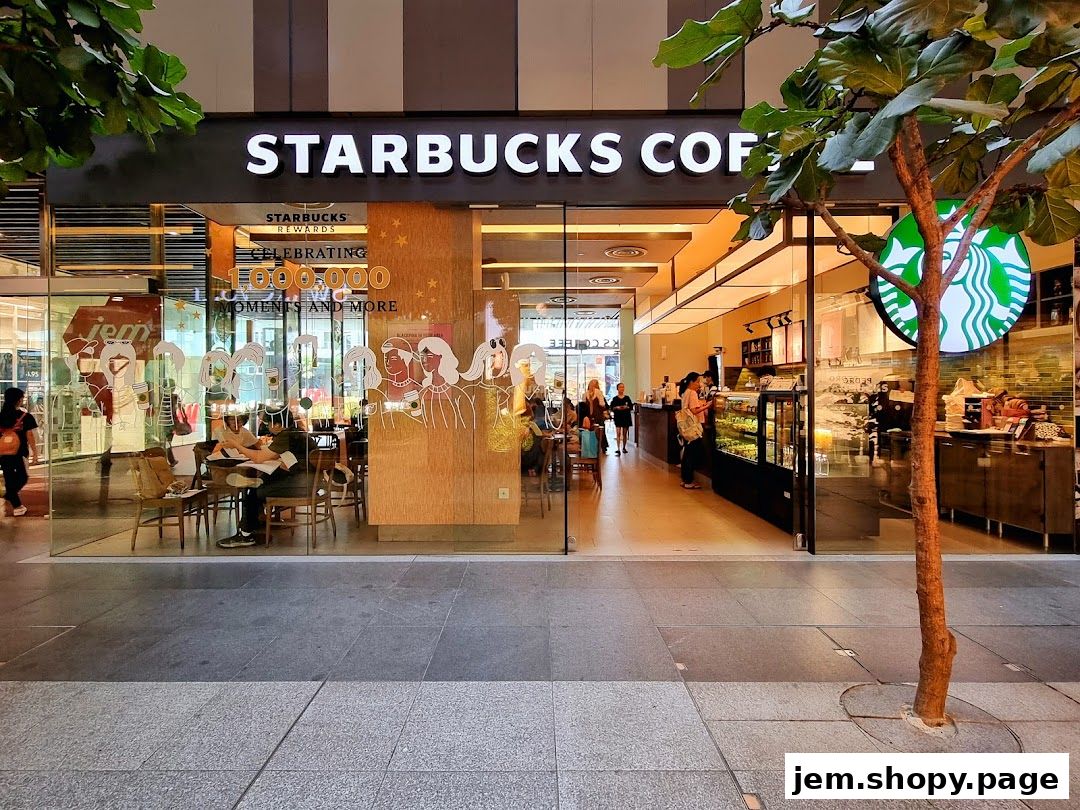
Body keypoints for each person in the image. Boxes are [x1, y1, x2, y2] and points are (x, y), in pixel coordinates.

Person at [217, 405, 317, 548]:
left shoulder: (285, 437)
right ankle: (256, 521)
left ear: (277, 424)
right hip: (310, 483)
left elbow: (258, 458)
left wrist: (236, 445)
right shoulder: (298, 433)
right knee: (263, 481)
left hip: (300, 485)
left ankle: (245, 534)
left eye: (268, 423)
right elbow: (290, 459)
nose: (267, 427)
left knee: (254, 491)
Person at [0, 387, 37, 516]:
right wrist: (35, 453)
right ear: (18, 400)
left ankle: (16, 506)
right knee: (22, 477)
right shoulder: (24, 416)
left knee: (9, 478)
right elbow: (30, 436)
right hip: (19, 452)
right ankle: (9, 497)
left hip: (3, 452)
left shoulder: (1, 416)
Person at [678, 372, 710, 490]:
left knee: (687, 453)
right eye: (697, 381)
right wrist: (708, 405)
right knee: (692, 454)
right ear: (692, 382)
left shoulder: (685, 392)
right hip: (694, 427)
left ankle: (685, 478)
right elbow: (694, 410)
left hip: (686, 427)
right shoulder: (692, 393)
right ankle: (688, 480)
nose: (699, 384)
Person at [582, 379, 609, 453]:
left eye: (594, 385)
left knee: (600, 431)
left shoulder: (599, 393)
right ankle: (591, 447)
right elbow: (583, 405)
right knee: (590, 431)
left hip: (598, 415)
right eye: (591, 384)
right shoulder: (585, 394)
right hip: (589, 415)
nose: (592, 386)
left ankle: (602, 446)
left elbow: (603, 404)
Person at [610, 382, 633, 455]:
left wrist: (626, 407)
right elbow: (612, 407)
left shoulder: (627, 398)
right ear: (617, 389)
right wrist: (617, 407)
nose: (622, 388)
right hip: (618, 416)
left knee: (625, 433)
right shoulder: (615, 399)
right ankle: (618, 448)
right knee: (618, 433)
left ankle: (624, 447)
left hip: (626, 416)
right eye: (620, 387)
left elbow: (631, 407)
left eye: (623, 387)